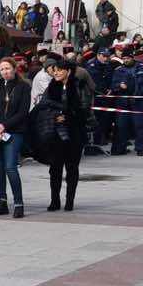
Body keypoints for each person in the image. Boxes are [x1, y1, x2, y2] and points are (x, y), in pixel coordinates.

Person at [32, 57, 91, 212]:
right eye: (55, 70)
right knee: (55, 168)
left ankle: (69, 200)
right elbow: (44, 105)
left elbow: (85, 108)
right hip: (55, 132)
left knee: (72, 167)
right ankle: (55, 200)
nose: (56, 73)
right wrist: (55, 115)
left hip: (75, 132)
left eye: (59, 70)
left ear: (68, 71)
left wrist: (68, 115)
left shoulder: (79, 85)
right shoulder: (52, 86)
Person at [0, 57, 30, 218]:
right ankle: (1, 202)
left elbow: (23, 112)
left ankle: (18, 203)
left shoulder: (23, 87)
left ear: (15, 68)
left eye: (8, 68)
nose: (5, 72)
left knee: (10, 167)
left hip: (14, 132)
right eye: (2, 69)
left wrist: (5, 125)